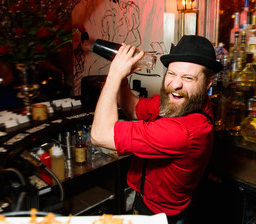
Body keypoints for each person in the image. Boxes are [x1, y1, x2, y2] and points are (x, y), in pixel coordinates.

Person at [90, 35, 222, 224]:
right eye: (172, 73)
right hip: (151, 198)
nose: (176, 85)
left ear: (208, 83)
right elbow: (133, 108)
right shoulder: (183, 101)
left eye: (188, 77)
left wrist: (113, 75)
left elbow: (99, 135)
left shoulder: (184, 132)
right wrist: (123, 80)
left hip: (159, 213)